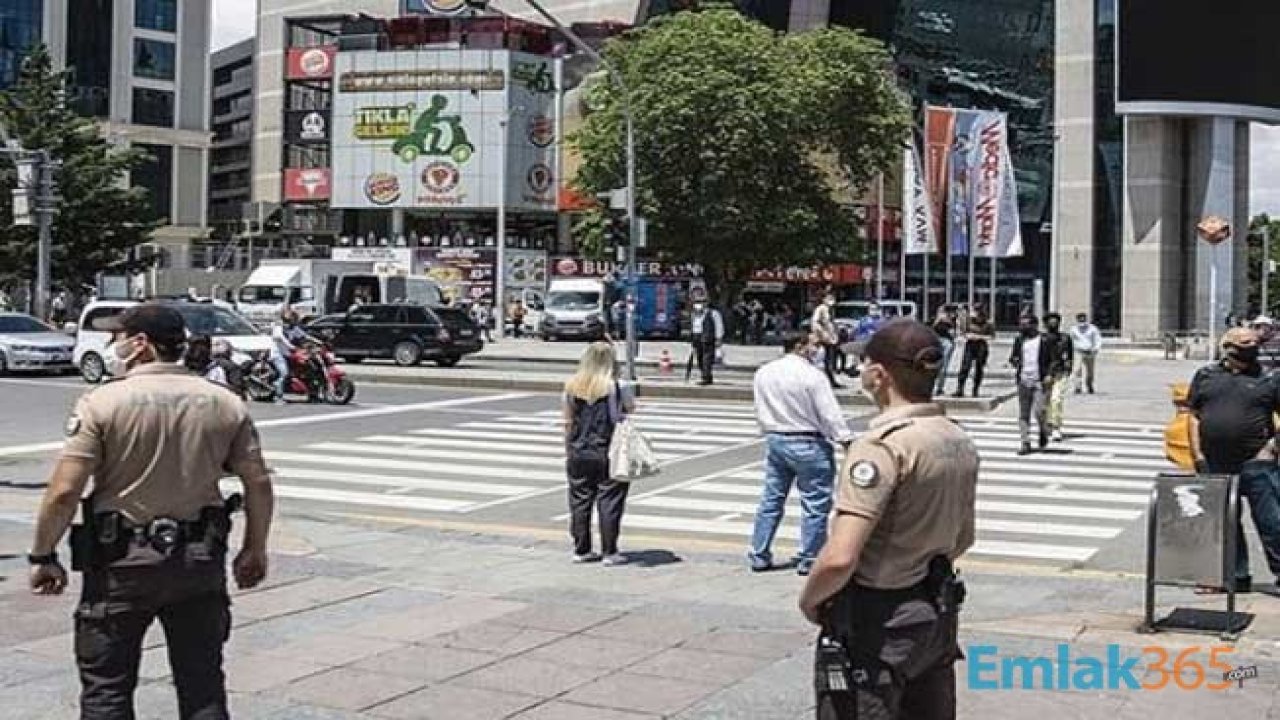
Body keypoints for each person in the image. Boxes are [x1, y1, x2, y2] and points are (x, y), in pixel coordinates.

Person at [27, 304, 274, 720]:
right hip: (198, 561)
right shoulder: (225, 403)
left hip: (119, 564)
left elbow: (65, 491)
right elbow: (259, 482)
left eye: (118, 337)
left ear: (140, 344)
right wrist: (254, 549)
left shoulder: (102, 402)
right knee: (202, 687)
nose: (113, 346)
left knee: (108, 688)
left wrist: (43, 556)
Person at [798, 318, 976, 720]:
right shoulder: (957, 438)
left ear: (878, 375)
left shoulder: (881, 447)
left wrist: (811, 601)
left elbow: (840, 558)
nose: (862, 372)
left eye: (865, 365)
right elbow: (964, 537)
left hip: (877, 621)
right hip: (935, 612)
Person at [749, 332, 853, 575]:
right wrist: (845, 439)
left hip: (776, 438)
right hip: (808, 441)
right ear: (800, 346)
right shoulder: (812, 375)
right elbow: (829, 412)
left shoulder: (764, 372)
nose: (817, 349)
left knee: (772, 499)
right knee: (815, 503)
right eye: (813, 345)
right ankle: (810, 558)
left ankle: (759, 553)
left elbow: (759, 405)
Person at [1188, 327, 1280, 594]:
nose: (1251, 347)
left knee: (1272, 522)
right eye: (1243, 344)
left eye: (1254, 343)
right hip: (1214, 462)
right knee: (1223, 522)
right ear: (1227, 347)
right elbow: (1193, 415)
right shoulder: (1206, 376)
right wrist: (1198, 454)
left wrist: (1272, 447)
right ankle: (1233, 576)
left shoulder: (1269, 378)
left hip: (1258, 463)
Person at [562, 341, 634, 566]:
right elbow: (630, 408)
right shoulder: (617, 386)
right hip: (607, 448)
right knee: (610, 499)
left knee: (579, 499)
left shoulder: (572, 385)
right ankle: (609, 551)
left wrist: (568, 448)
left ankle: (581, 549)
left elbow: (568, 421)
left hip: (578, 449)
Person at [1009, 314, 1052, 455]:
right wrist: (1014, 361)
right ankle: (1025, 442)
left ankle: (1043, 430)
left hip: (1039, 380)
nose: (1022, 327)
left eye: (1026, 324)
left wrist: (1049, 375)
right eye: (1021, 324)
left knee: (1039, 411)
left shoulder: (1045, 340)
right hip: (1023, 380)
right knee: (1023, 413)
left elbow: (1053, 359)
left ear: (1034, 325)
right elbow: (1013, 357)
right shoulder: (1019, 340)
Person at [1042, 313, 1075, 443]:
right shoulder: (1041, 339)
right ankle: (1047, 424)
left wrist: (1068, 367)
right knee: (1044, 403)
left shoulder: (1065, 338)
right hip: (1044, 375)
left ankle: (1056, 427)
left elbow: (1070, 355)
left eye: (1056, 322)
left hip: (1060, 373)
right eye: (1051, 322)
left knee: (1056, 400)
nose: (1054, 324)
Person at [953, 306, 994, 398]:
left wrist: (979, 337)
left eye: (978, 312)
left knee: (979, 368)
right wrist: (968, 335)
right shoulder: (969, 321)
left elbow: (991, 336)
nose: (976, 315)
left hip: (981, 346)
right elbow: (963, 333)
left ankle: (975, 390)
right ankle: (960, 389)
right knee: (965, 366)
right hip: (970, 344)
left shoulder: (988, 323)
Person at [690, 298, 724, 386]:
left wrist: (718, 338)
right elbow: (694, 327)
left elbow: (719, 326)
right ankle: (707, 376)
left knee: (707, 359)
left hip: (708, 339)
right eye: (696, 302)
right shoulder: (695, 314)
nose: (698, 304)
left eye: (700, 302)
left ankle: (705, 377)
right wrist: (693, 340)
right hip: (697, 339)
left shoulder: (713, 313)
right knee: (700, 359)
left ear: (706, 303)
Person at [812, 293, 843, 389]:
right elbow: (815, 322)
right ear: (824, 299)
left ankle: (831, 381)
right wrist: (821, 334)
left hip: (830, 339)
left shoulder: (830, 310)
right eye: (829, 298)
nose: (832, 301)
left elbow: (831, 324)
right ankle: (828, 381)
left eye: (833, 298)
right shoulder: (821, 309)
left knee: (829, 361)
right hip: (823, 339)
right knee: (823, 361)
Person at [1069, 312, 1102, 393]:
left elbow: (1098, 339)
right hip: (1079, 351)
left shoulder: (1093, 328)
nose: (1082, 322)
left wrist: (1095, 348)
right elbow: (1071, 340)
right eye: (1080, 320)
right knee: (1077, 369)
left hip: (1090, 352)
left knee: (1090, 371)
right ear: (1077, 320)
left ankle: (1089, 384)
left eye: (1083, 320)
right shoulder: (1073, 329)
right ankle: (1077, 386)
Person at [932, 306, 958, 395]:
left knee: (943, 367)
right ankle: (933, 387)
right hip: (936, 340)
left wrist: (952, 319)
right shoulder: (936, 319)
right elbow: (933, 327)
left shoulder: (952, 320)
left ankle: (939, 388)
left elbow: (955, 333)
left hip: (947, 342)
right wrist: (939, 318)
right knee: (933, 365)